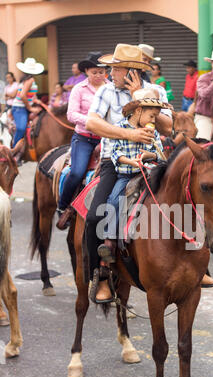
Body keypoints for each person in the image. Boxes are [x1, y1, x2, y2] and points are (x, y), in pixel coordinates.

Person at [84, 43, 172, 304]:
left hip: (151, 160)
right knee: (95, 215)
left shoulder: (154, 91)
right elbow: (92, 122)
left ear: (132, 71)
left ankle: (199, 264)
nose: (110, 72)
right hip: (116, 163)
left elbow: (167, 127)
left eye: (116, 68)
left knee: (184, 199)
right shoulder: (106, 91)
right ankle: (100, 276)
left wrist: (141, 96)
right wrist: (129, 133)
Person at [94, 89, 167, 302]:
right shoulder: (121, 127)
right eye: (151, 116)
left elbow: (161, 154)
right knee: (114, 200)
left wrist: (149, 154)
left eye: (155, 116)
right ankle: (109, 242)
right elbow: (115, 154)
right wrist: (131, 161)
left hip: (149, 175)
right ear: (138, 111)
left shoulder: (151, 132)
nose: (154, 120)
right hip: (126, 176)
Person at [56, 52, 107, 229]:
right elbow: (71, 114)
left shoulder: (111, 88)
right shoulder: (78, 88)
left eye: (102, 72)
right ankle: (63, 206)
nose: (99, 76)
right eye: (95, 72)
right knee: (77, 172)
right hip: (84, 138)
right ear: (86, 71)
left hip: (106, 138)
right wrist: (92, 122)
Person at [11, 57, 44, 146]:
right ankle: (14, 150)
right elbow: (22, 95)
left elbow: (31, 94)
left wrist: (36, 100)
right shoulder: (30, 80)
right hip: (20, 108)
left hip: (23, 107)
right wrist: (30, 108)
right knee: (21, 128)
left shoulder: (26, 80)